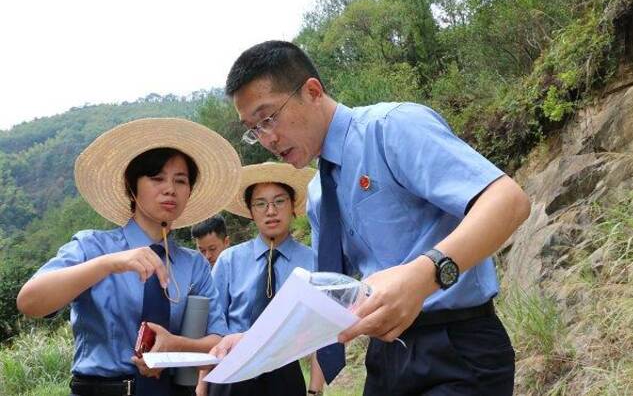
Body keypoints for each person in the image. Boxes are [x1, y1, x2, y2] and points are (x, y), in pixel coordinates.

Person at [217, 40, 532, 395]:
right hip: (386, 357)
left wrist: (422, 277)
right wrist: (256, 342)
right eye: (254, 129)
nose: (268, 139)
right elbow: (329, 297)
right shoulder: (320, 194)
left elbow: (508, 200)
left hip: (456, 345)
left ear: (312, 91)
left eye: (269, 117)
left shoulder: (392, 128)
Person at [16, 118, 241, 396]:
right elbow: (30, 302)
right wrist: (110, 263)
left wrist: (175, 344)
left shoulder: (193, 264)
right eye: (157, 178)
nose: (170, 188)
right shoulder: (93, 247)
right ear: (131, 186)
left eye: (180, 180)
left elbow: (217, 340)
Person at [197, 162, 325, 396]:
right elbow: (213, 326)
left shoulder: (313, 263)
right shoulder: (229, 260)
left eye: (279, 201)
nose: (270, 211)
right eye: (260, 203)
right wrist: (202, 383)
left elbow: (321, 333)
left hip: (285, 372)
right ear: (250, 211)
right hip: (230, 371)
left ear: (293, 205)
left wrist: (315, 390)